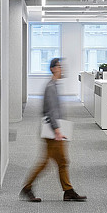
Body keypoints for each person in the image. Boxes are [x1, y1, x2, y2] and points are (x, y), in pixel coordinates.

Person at [21, 58, 87, 202]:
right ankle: (27, 187)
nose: (61, 69)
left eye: (61, 66)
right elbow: (51, 111)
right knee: (50, 162)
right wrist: (57, 130)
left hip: (55, 129)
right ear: (52, 69)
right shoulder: (51, 86)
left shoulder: (54, 85)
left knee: (62, 161)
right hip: (52, 131)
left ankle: (68, 190)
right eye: (59, 66)